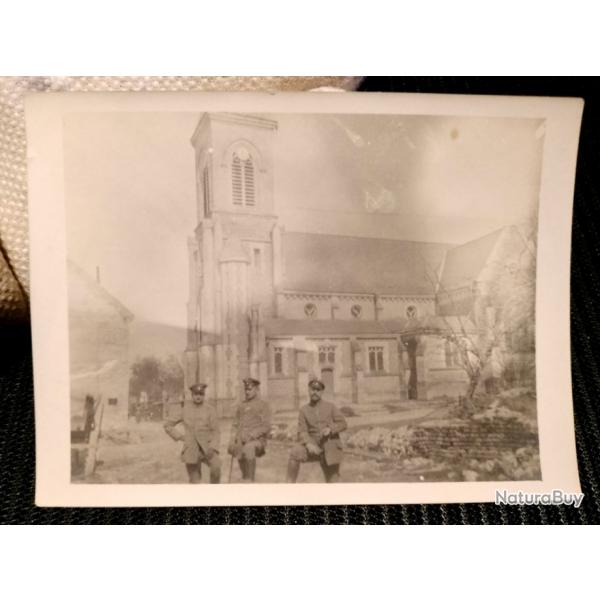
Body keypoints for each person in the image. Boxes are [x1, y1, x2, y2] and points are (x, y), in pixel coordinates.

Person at [286, 378, 347, 483]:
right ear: (309, 390)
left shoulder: (330, 407)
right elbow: (302, 431)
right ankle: (289, 485)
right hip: (313, 447)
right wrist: (309, 444)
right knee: (295, 452)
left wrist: (331, 429)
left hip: (329, 445)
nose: (315, 392)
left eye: (318, 390)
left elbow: (343, 424)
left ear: (322, 392)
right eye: (312, 389)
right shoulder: (304, 410)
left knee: (333, 481)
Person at [163, 383, 221, 483]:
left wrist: (213, 447)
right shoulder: (185, 409)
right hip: (191, 449)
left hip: (207, 448)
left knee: (216, 467)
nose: (198, 396)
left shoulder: (210, 410)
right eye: (196, 394)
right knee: (195, 481)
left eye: (201, 394)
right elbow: (167, 425)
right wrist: (180, 437)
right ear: (192, 395)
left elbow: (216, 431)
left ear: (204, 395)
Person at [228, 377, 272, 482]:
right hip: (242, 438)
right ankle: (245, 476)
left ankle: (250, 480)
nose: (247, 392)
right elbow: (235, 424)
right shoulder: (241, 406)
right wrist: (231, 439)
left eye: (250, 389)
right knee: (237, 447)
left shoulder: (263, 405)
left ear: (257, 389)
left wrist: (252, 435)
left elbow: (266, 426)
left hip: (257, 440)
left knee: (248, 448)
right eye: (246, 389)